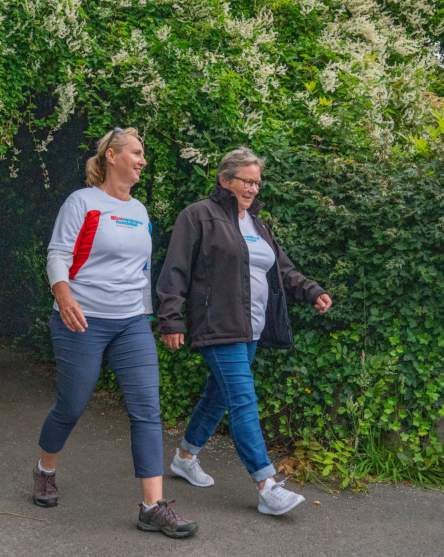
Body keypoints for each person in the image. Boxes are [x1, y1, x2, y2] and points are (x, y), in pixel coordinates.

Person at [33, 127, 197, 539]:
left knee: (146, 408)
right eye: (137, 153)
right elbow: (58, 253)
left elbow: (142, 272)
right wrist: (64, 295)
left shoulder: (140, 211)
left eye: (143, 155)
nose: (143, 161)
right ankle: (44, 469)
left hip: (130, 324)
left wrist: (145, 318)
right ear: (111, 155)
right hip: (81, 320)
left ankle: (152, 507)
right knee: (72, 404)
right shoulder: (82, 202)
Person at [156, 146, 333, 516]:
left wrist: (312, 290)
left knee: (218, 395)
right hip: (218, 324)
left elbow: (280, 269)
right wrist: (170, 319)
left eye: (257, 182)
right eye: (247, 181)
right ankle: (267, 486)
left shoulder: (257, 223)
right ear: (225, 180)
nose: (253, 189)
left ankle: (185, 457)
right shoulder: (199, 216)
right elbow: (175, 270)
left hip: (252, 327)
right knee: (242, 399)